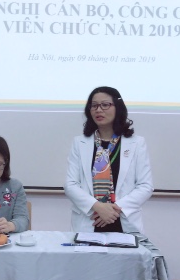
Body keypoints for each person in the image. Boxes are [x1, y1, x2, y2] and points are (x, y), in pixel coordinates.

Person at [64, 86, 153, 234]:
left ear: (118, 107)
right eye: (94, 106)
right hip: (90, 219)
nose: (98, 110)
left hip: (123, 221)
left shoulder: (136, 143)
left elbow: (145, 186)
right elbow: (70, 185)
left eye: (105, 105)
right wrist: (98, 207)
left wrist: (112, 211)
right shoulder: (79, 143)